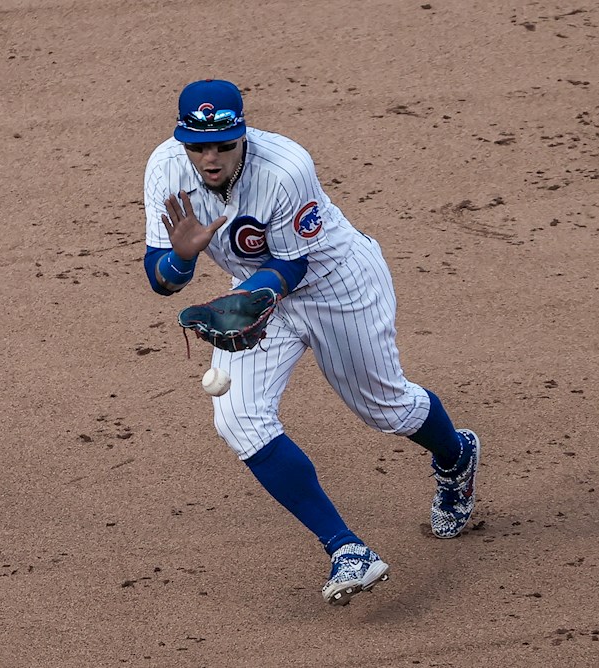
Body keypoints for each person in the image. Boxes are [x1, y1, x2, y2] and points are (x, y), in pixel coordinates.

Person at [142, 79, 481, 606]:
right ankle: (346, 549)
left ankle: (455, 456)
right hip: (257, 291)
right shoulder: (165, 168)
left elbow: (293, 263)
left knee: (385, 409)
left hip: (336, 284)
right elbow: (159, 278)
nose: (209, 159)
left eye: (223, 145)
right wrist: (182, 260)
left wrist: (244, 301)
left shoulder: (284, 167)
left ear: (242, 135)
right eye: (197, 145)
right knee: (238, 417)